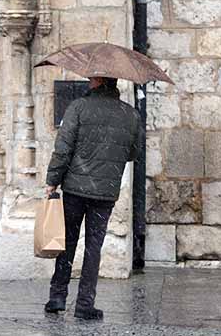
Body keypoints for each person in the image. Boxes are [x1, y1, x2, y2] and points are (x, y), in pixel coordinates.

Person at [43, 76, 143, 321]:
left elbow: (63, 148)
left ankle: (57, 296)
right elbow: (133, 152)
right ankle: (85, 304)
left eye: (91, 78)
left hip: (75, 189)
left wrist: (52, 180)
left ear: (98, 80)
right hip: (105, 191)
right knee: (93, 247)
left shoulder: (78, 107)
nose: (88, 81)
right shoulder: (130, 114)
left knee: (67, 241)